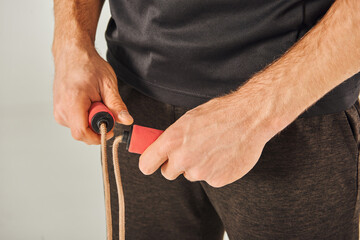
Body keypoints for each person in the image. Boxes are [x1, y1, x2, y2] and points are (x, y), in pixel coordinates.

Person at [52, 0, 360, 239]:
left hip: (291, 111)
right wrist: (71, 41)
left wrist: (253, 115)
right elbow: (71, 40)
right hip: (134, 100)